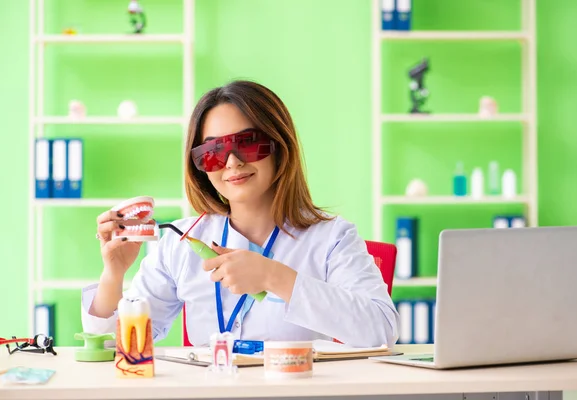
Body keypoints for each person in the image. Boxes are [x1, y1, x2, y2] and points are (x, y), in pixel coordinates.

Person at [82, 80, 401, 347]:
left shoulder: (332, 237)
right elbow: (117, 344)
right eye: (213, 152)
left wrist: (273, 276)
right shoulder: (179, 243)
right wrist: (114, 273)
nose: (231, 162)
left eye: (247, 144)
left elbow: (382, 331)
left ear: (280, 146)